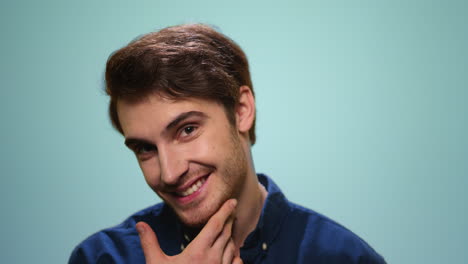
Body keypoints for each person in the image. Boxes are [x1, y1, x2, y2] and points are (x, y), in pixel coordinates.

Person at [69, 24, 386, 264]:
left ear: (241, 111)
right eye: (145, 149)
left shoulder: (341, 257)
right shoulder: (101, 257)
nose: (168, 173)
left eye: (187, 129)